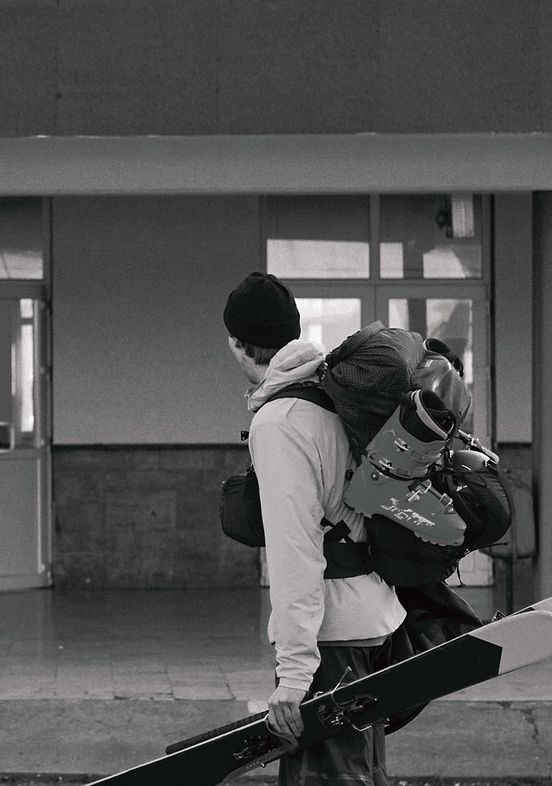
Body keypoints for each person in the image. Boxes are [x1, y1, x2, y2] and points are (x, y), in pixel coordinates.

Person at [223, 271, 406, 786]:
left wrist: (294, 674)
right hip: (370, 618)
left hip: (330, 640)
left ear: (238, 343)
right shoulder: (332, 395)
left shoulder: (281, 422)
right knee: (361, 774)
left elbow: (295, 553)